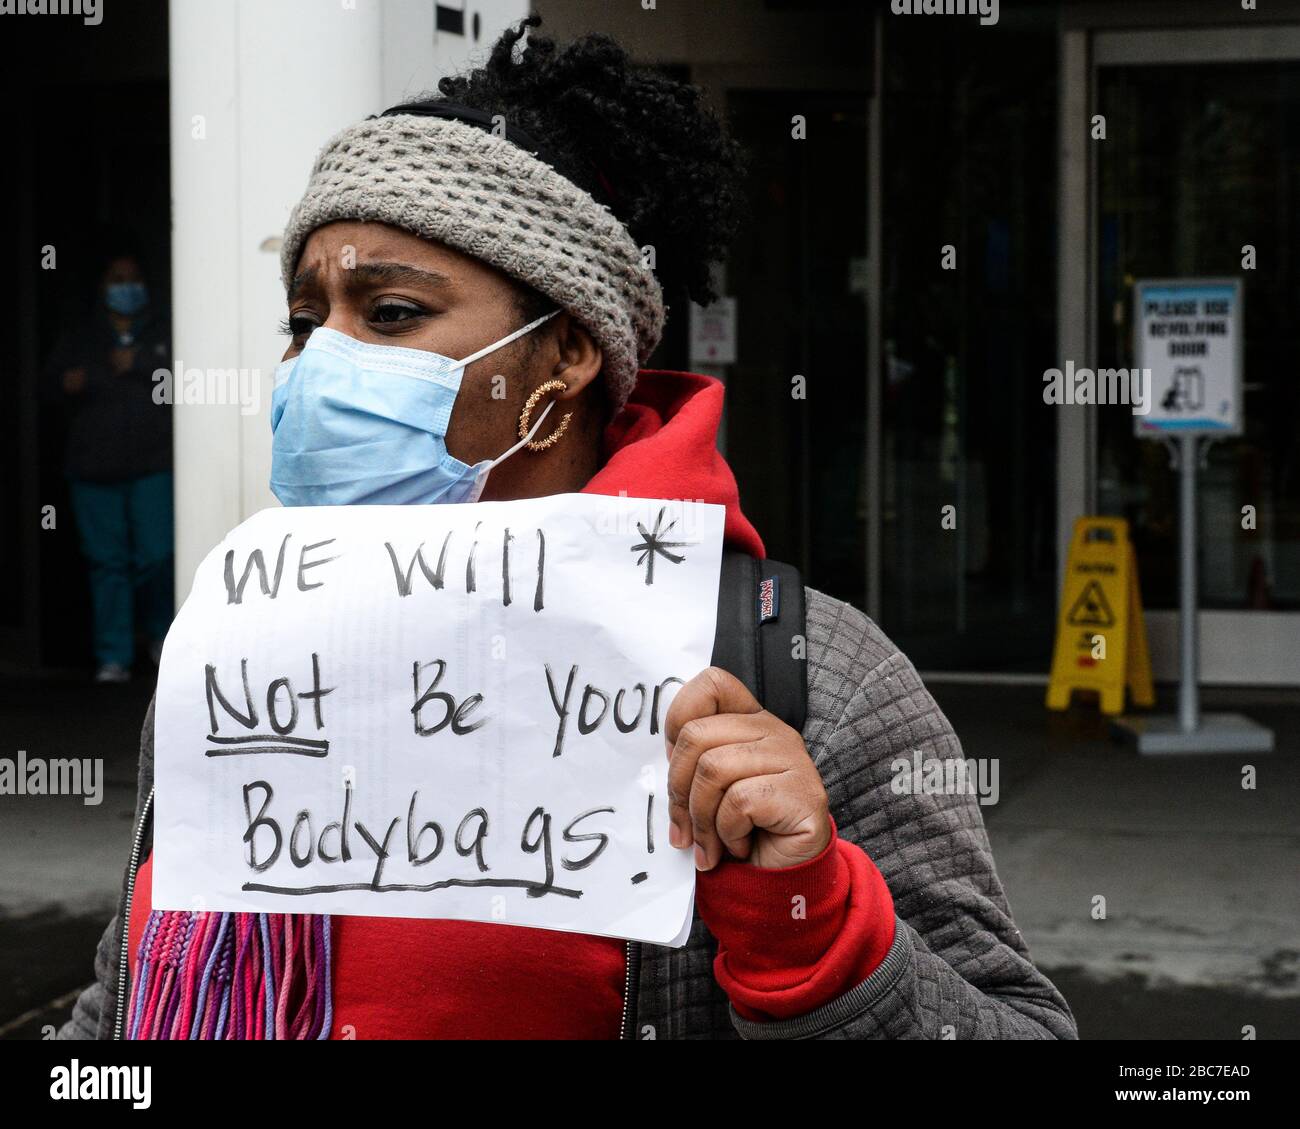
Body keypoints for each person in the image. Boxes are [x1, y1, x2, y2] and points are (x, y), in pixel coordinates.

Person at [59, 16, 1075, 1040]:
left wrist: (812, 931)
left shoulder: (806, 676)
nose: (320, 363)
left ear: (566, 356)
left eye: (393, 313)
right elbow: (121, 1009)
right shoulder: (241, 651)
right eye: (304, 319)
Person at [48, 249, 174, 683]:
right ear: (102, 288)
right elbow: (48, 386)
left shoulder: (166, 328)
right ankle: (114, 656)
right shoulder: (80, 334)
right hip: (93, 470)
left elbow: (191, 379)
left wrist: (139, 363)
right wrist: (75, 382)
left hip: (153, 465)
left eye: (132, 277)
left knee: (158, 557)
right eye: (116, 279)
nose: (125, 286)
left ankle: (162, 640)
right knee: (108, 564)